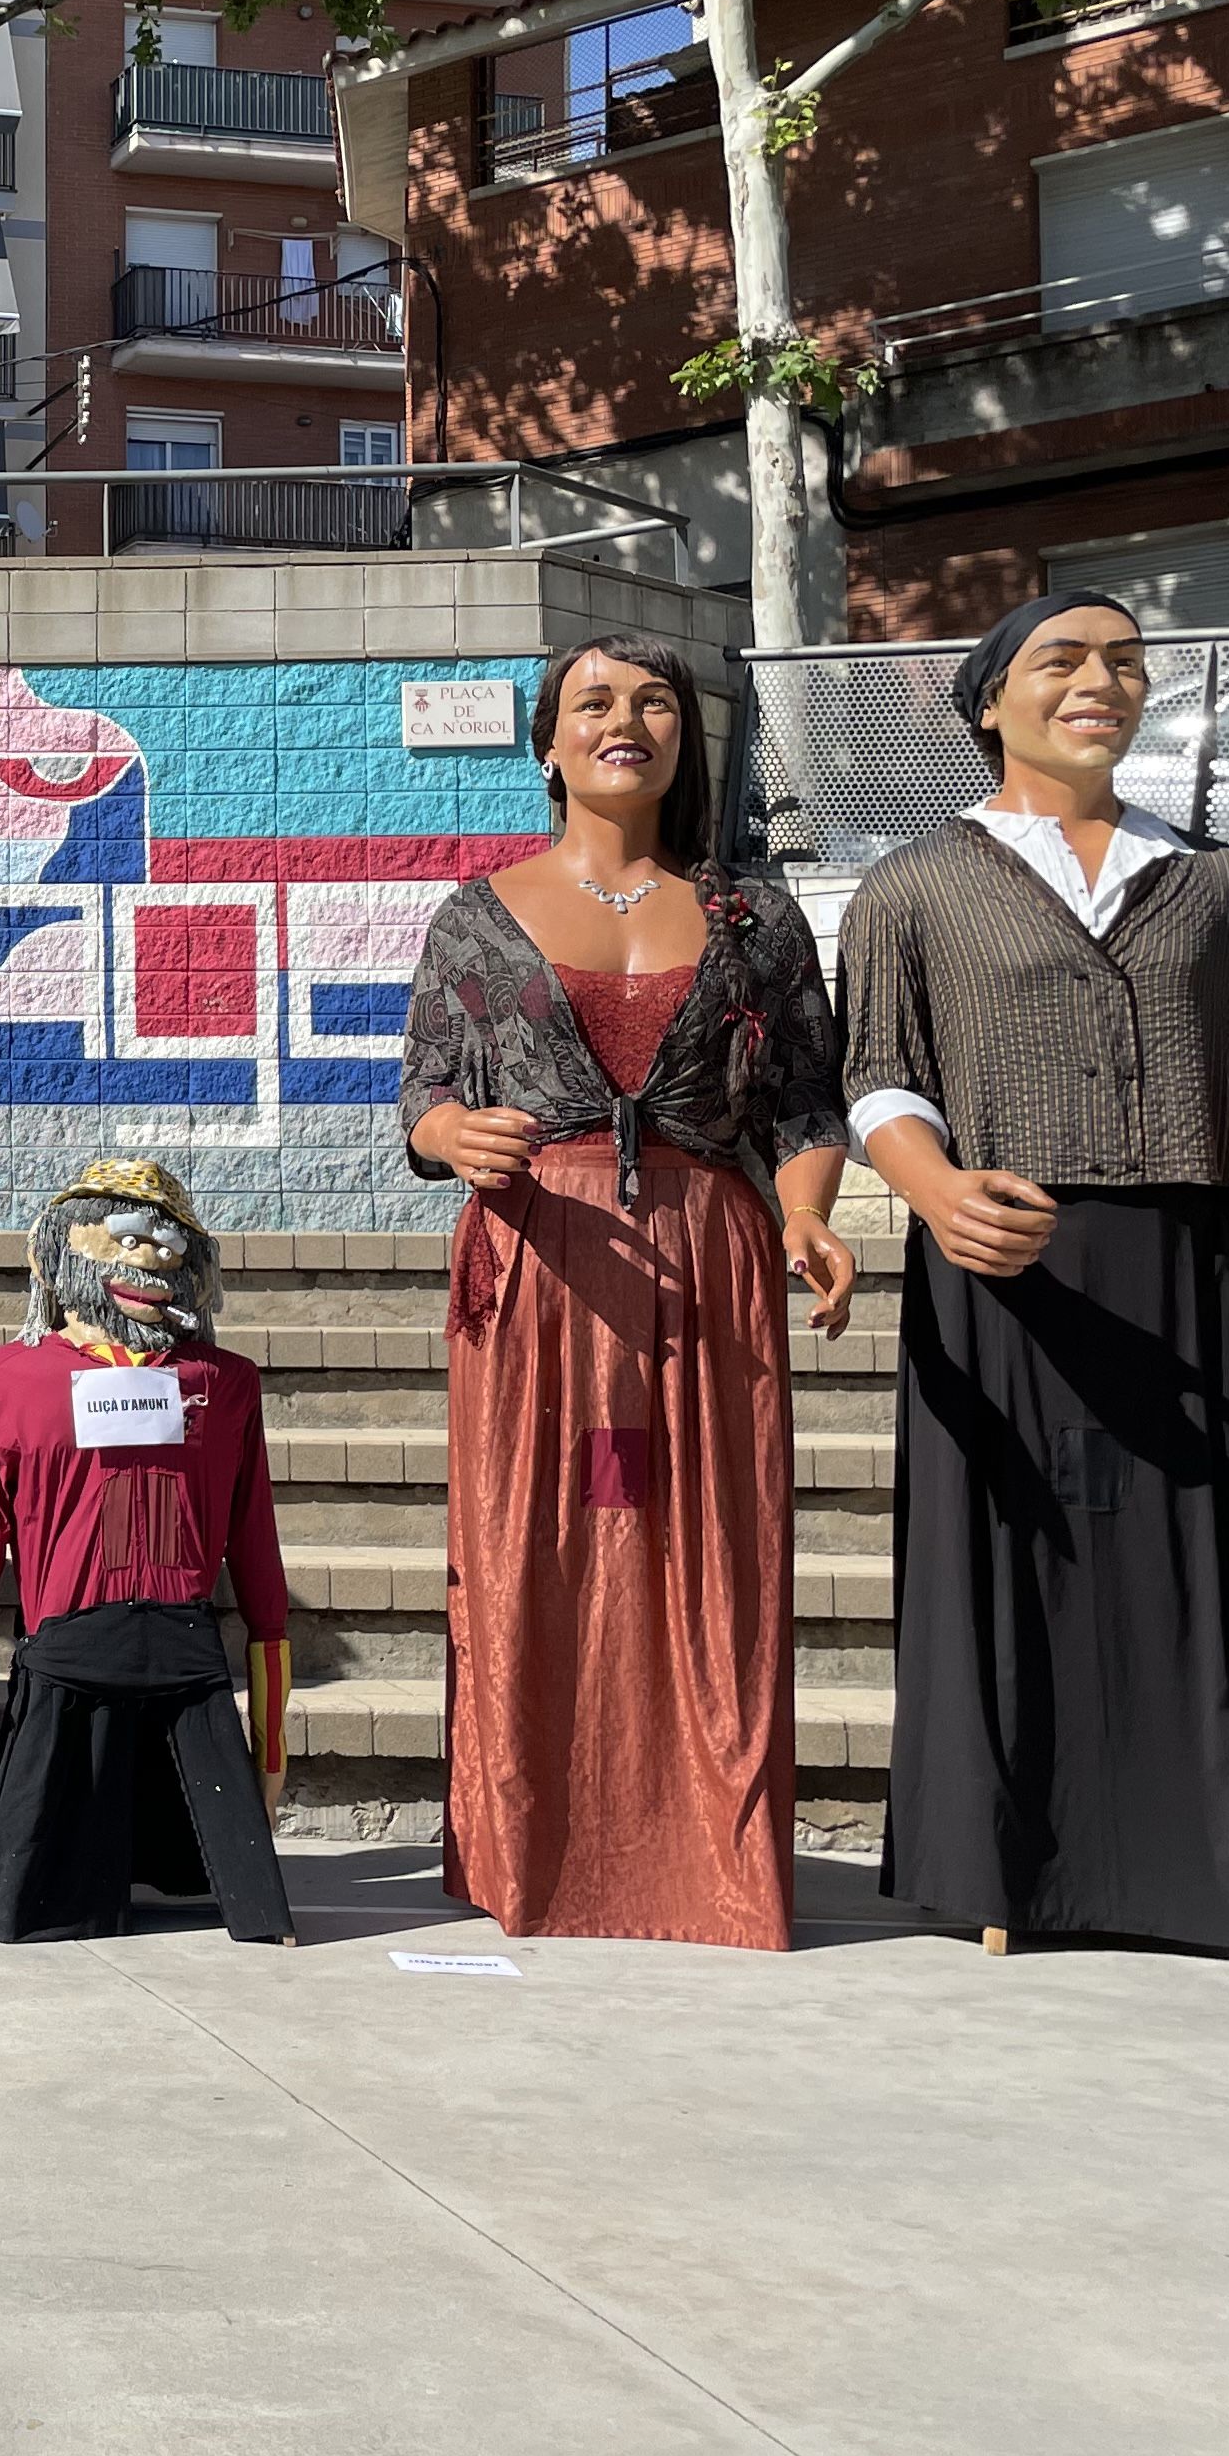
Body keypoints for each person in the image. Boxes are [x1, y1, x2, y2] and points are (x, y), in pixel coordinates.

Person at [841, 591, 1229, 1964]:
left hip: (1175, 1262)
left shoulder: (1222, 880)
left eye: (1126, 663)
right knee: (1009, 1563)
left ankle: (1200, 1878)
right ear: (990, 703)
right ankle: (1006, 1870)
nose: (1103, 681)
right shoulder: (915, 882)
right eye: (1063, 660)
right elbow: (880, 1079)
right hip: (997, 1261)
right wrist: (936, 1194)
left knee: (1181, 1565)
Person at [398, 633, 855, 1951]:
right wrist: (454, 1140)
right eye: (595, 700)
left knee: (715, 1553)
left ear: (684, 741)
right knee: (537, 1552)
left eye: (655, 701)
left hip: (711, 1270)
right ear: (549, 740)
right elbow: (424, 1095)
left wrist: (812, 1214)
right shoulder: (475, 914)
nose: (628, 720)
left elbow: (808, 1106)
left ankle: (709, 1868)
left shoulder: (756, 920)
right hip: (540, 1275)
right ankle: (538, 1850)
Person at [0, 1159, 297, 1946]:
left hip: (183, 1643)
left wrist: (269, 1737)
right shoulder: (8, 1379)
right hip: (66, 1643)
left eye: (170, 1242)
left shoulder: (223, 1380)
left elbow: (256, 1545)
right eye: (129, 1238)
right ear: (60, 1252)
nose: (153, 1259)